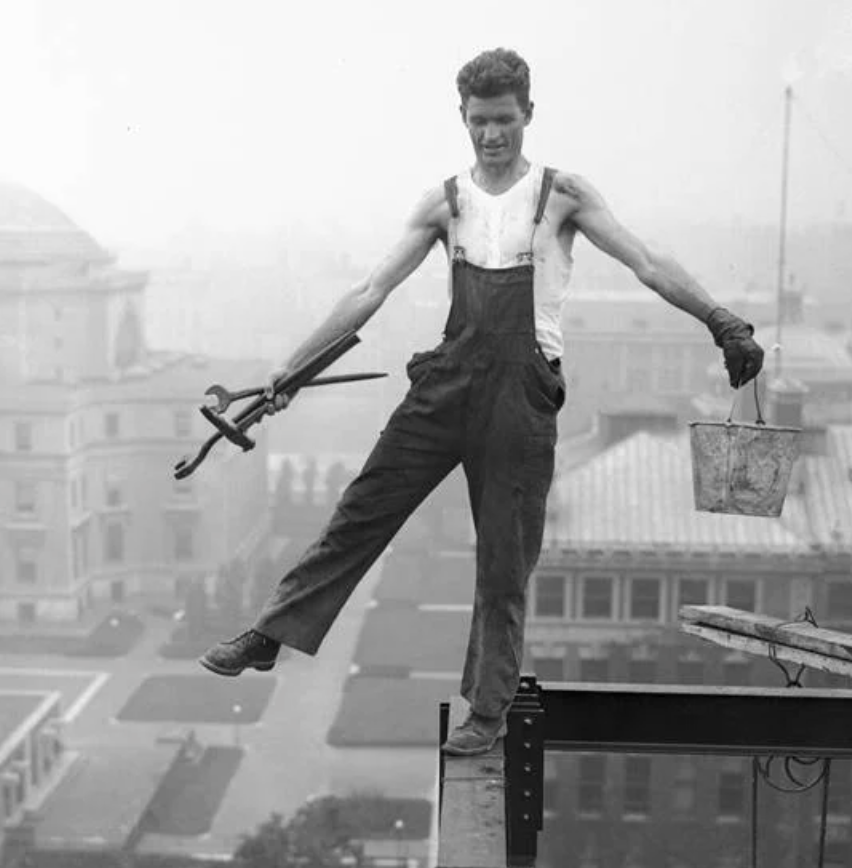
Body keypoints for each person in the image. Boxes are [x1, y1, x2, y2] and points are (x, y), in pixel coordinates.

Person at [199, 48, 764, 755]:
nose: (492, 135)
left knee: (504, 560)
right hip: (448, 382)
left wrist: (720, 319)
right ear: (461, 119)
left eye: (504, 121)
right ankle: (270, 634)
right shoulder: (446, 202)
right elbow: (369, 293)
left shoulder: (564, 194)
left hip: (521, 397)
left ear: (528, 114)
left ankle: (487, 709)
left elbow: (647, 263)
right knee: (361, 510)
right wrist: (290, 371)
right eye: (478, 122)